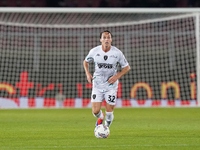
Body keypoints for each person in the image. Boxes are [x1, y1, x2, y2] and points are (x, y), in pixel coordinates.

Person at [83, 30, 131, 127]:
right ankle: (100, 117)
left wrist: (117, 76)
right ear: (100, 40)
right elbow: (85, 61)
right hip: (97, 84)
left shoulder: (117, 53)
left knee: (109, 113)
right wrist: (87, 73)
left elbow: (127, 67)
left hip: (111, 85)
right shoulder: (94, 51)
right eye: (104, 37)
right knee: (95, 111)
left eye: (108, 37)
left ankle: (106, 128)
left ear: (111, 40)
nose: (106, 39)